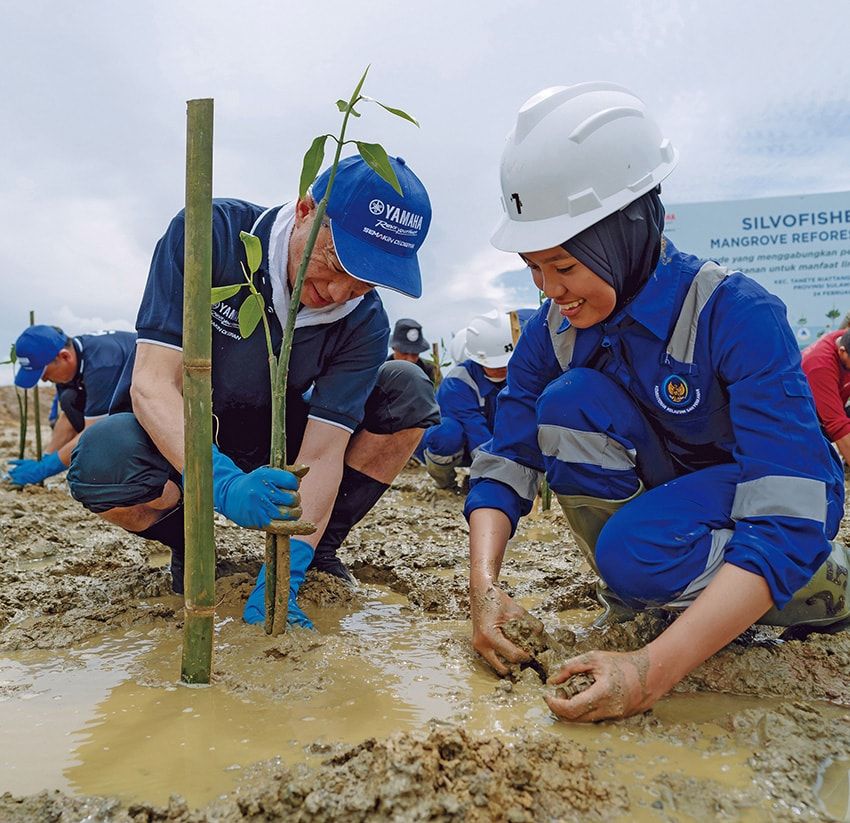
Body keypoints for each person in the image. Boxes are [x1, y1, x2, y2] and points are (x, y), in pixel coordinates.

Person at [466, 82, 849, 723]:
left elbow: (787, 506)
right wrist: (484, 588)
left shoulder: (734, 313)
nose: (550, 290)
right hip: (675, 504)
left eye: (564, 266)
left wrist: (649, 673)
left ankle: (829, 583)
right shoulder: (553, 329)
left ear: (626, 234)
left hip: (767, 501)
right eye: (535, 270)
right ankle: (645, 595)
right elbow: (507, 456)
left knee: (638, 551)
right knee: (569, 403)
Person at [67, 155, 439, 617]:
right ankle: (191, 541)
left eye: (366, 281)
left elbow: (323, 451)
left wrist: (287, 572)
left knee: (407, 388)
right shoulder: (212, 236)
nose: (341, 292)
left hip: (277, 439)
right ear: (306, 211)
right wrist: (219, 484)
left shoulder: (363, 323)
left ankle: (312, 550)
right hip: (175, 435)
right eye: (336, 261)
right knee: (103, 460)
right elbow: (152, 384)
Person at [7, 326, 135, 487]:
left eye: (45, 374)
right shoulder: (71, 364)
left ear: (64, 357)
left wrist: (45, 469)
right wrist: (45, 458)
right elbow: (69, 415)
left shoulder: (102, 365)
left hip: (156, 400)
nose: (45, 380)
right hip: (123, 399)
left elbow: (94, 433)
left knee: (106, 441)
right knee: (69, 398)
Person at [421, 310, 515, 490]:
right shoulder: (457, 384)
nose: (503, 367)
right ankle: (446, 485)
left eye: (506, 361)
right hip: (459, 445)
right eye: (495, 364)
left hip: (494, 441)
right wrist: (499, 481)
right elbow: (476, 432)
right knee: (445, 432)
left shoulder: (520, 373)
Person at [801, 328, 850, 463]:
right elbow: (836, 425)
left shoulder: (845, 337)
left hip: (832, 407)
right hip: (804, 423)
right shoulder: (820, 367)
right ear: (842, 352)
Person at [388, 318, 436, 382]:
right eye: (404, 353)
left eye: (415, 353)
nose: (410, 359)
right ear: (394, 348)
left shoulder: (431, 370)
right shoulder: (380, 370)